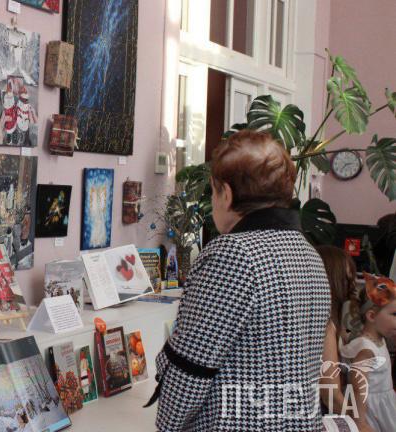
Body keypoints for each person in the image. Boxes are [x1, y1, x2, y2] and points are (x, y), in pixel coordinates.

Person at [148, 130, 331, 431]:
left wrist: (166, 423)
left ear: (227, 194)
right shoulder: (307, 252)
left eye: (213, 192)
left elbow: (192, 366)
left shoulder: (232, 253)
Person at [339, 273, 396, 432]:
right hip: (370, 413)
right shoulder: (366, 349)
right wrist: (360, 422)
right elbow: (358, 388)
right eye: (394, 314)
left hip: (384, 406)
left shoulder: (379, 340)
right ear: (371, 316)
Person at [316, 245, 358, 414]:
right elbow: (331, 395)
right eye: (347, 278)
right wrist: (358, 421)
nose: (353, 284)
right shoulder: (326, 325)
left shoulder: (331, 320)